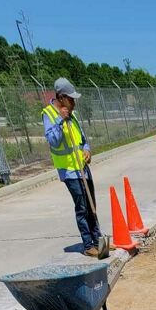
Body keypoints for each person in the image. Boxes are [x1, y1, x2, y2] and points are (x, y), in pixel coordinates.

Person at [42, 77, 106, 257]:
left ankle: (98, 239)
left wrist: (87, 150)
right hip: (69, 171)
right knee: (82, 208)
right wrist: (61, 121)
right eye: (71, 99)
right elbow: (53, 142)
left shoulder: (74, 115)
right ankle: (88, 245)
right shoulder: (49, 114)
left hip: (82, 168)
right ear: (61, 97)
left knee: (91, 203)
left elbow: (82, 140)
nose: (73, 102)